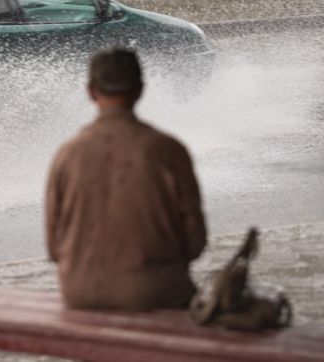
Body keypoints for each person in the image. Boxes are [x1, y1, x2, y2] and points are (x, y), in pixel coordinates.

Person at [45, 47, 207, 311]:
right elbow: (195, 243)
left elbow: (54, 248)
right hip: (154, 292)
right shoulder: (167, 150)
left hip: (80, 292)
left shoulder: (67, 154)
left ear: (90, 91)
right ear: (140, 90)